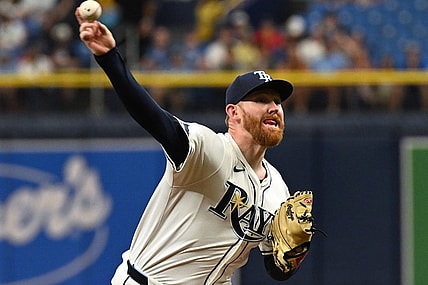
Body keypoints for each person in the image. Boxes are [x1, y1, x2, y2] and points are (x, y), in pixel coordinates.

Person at [76, 7, 305, 285]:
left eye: (277, 102)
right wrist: (109, 58)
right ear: (233, 113)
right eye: (261, 100)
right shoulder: (209, 150)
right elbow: (152, 116)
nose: (273, 108)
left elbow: (276, 268)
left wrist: (295, 252)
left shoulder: (279, 189)